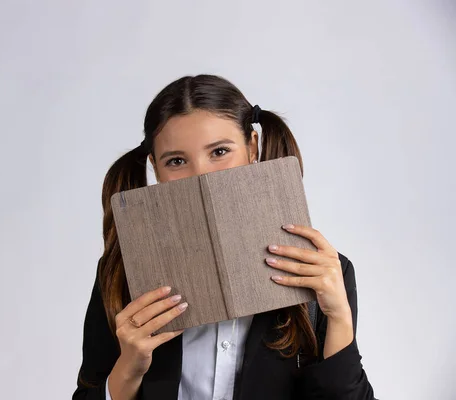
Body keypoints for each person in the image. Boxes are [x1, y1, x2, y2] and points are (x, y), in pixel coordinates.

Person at [73, 74, 376, 399]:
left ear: (252, 149)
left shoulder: (324, 274)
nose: (201, 177)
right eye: (176, 161)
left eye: (219, 152)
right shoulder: (120, 275)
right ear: (156, 170)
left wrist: (339, 317)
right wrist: (128, 369)